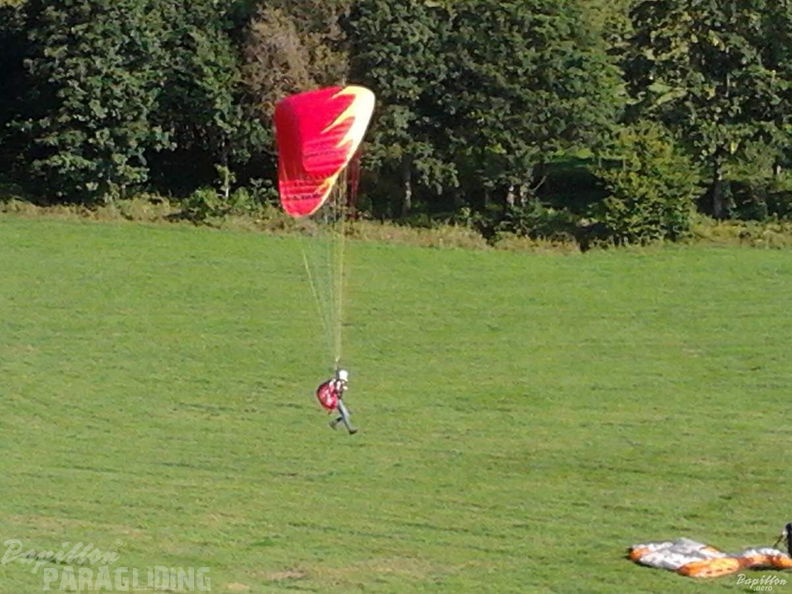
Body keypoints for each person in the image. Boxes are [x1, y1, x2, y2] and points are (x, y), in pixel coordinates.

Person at [315, 369, 357, 434]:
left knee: (346, 414)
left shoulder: (334, 381)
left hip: (336, 399)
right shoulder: (338, 383)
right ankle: (349, 429)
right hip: (336, 400)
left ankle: (334, 423)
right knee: (345, 414)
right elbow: (338, 393)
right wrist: (342, 389)